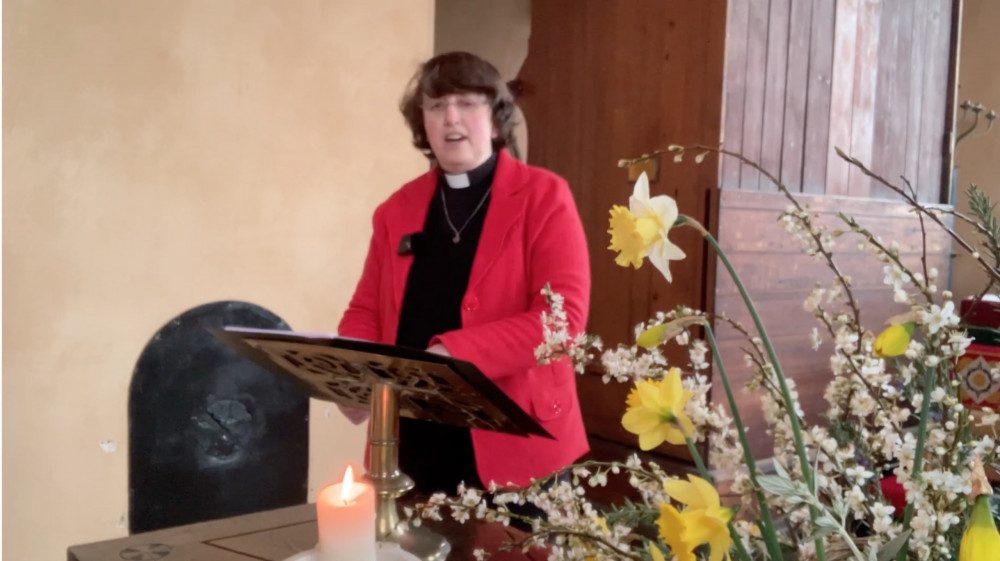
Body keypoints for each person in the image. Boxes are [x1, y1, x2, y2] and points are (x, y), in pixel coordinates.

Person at [337, 51, 590, 494]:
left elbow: (561, 321)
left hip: (518, 437)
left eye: (467, 102)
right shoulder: (395, 210)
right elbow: (367, 309)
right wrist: (351, 373)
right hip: (411, 440)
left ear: (495, 120)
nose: (450, 116)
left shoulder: (545, 196)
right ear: (424, 127)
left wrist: (451, 359)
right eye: (436, 106)